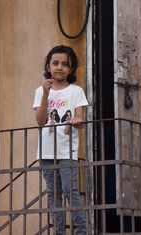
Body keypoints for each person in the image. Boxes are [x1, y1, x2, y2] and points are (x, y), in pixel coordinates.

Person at [33, 45, 88, 235]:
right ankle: (58, 232)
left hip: (67, 151)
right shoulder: (41, 91)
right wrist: (46, 94)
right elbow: (40, 121)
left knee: (70, 191)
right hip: (46, 151)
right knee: (53, 194)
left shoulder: (76, 91)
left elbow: (80, 121)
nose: (59, 67)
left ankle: (82, 231)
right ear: (48, 66)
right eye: (55, 63)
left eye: (65, 64)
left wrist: (77, 121)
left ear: (71, 69)